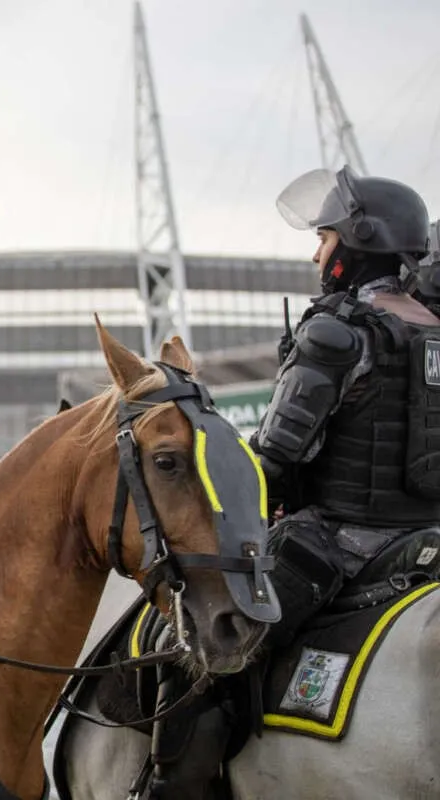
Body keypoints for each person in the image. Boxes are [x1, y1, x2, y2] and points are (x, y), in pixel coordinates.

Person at [145, 164, 440, 799]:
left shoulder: (337, 333)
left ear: (357, 243)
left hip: (337, 544)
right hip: (426, 543)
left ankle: (177, 790)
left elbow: (275, 456)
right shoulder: (433, 328)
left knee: (197, 650)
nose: (317, 253)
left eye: (326, 238)